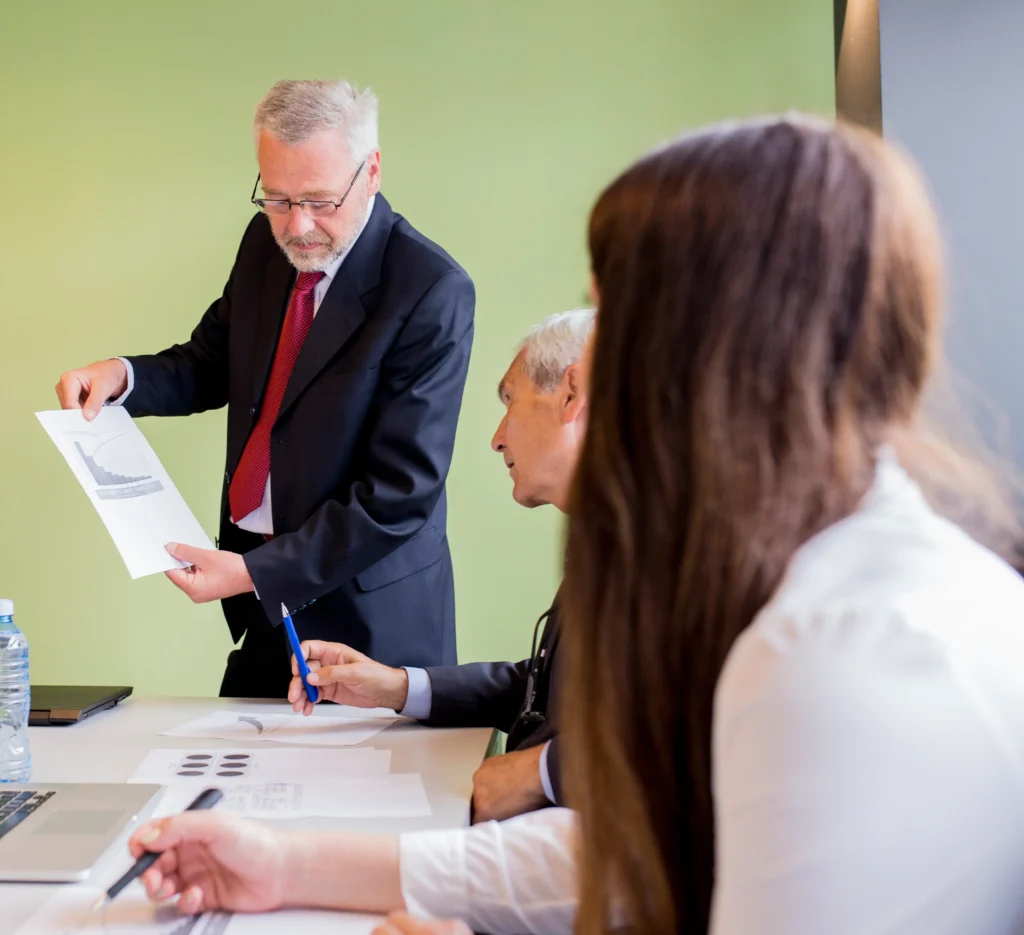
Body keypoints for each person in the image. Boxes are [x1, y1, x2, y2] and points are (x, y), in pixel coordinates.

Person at [562, 116, 1024, 935]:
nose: (582, 365)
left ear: (692, 346)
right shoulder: (852, 590)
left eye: (605, 314)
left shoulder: (832, 654)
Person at [55, 80, 475, 698]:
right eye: (276, 199)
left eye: (319, 201)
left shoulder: (431, 290)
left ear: (372, 171)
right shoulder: (264, 243)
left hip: (371, 622)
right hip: (264, 608)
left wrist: (255, 572)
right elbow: (212, 361)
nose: (297, 226)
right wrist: (124, 376)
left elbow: (398, 496)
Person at [288, 307, 594, 823]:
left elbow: (671, 725)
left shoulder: (661, 549)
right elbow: (544, 688)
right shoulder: (605, 539)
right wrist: (395, 687)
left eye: (510, 401)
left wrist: (541, 772)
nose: (497, 438)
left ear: (571, 396)